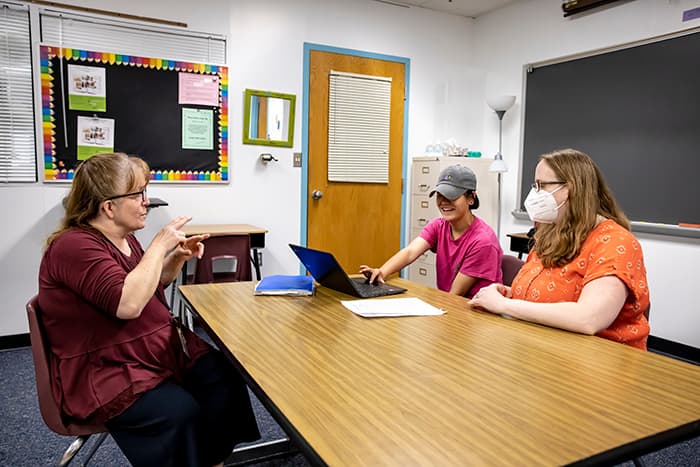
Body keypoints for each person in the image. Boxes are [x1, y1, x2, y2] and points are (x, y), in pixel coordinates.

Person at [38, 153, 260, 467]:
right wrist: (159, 244)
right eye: (138, 194)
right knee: (178, 412)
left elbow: (148, 285)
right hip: (106, 367)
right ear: (109, 206)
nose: (147, 202)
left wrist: (176, 257)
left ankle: (212, 459)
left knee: (221, 375)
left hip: (148, 352)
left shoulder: (124, 239)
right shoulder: (74, 246)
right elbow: (128, 304)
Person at [469, 148, 650, 350]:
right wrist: (509, 293)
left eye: (541, 186)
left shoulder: (615, 242)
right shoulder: (551, 234)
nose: (533, 194)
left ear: (572, 188)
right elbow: (554, 293)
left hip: (600, 361)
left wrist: (503, 305)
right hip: (545, 349)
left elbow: (589, 318)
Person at [360, 164, 503, 297]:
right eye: (440, 195)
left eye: (452, 196)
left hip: (476, 313)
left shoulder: (483, 241)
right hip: (451, 304)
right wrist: (381, 272)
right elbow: (410, 252)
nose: (444, 201)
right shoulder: (439, 225)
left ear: (471, 198)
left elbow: (455, 294)